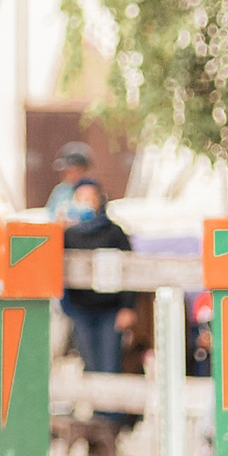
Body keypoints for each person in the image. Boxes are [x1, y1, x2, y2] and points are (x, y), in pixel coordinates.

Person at [58, 178, 132, 379]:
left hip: (110, 309)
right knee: (89, 364)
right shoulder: (68, 234)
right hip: (80, 310)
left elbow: (130, 270)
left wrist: (127, 307)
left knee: (110, 365)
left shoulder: (114, 232)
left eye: (91, 197)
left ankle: (111, 401)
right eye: (81, 198)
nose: (86, 202)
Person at [45, 143, 93, 221]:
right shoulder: (61, 190)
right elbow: (51, 214)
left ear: (84, 170)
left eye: (74, 171)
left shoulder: (91, 189)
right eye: (67, 171)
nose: (69, 175)